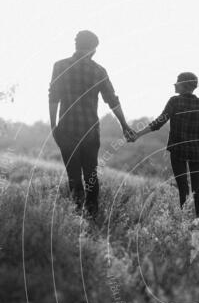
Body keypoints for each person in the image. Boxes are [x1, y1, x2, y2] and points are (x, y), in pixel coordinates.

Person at [49, 30, 135, 217]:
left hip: (67, 130)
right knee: (91, 174)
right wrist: (124, 125)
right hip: (90, 131)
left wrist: (53, 126)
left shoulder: (60, 66)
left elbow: (53, 97)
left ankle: (77, 215)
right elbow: (112, 100)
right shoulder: (98, 71)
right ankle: (92, 214)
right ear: (94, 50)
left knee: (74, 175)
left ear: (76, 44)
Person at [134, 72, 199, 217]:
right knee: (197, 189)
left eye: (177, 82)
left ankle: (185, 220)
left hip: (178, 150)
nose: (175, 85)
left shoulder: (174, 102)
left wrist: (138, 134)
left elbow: (159, 122)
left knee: (183, 188)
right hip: (196, 153)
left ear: (184, 85)